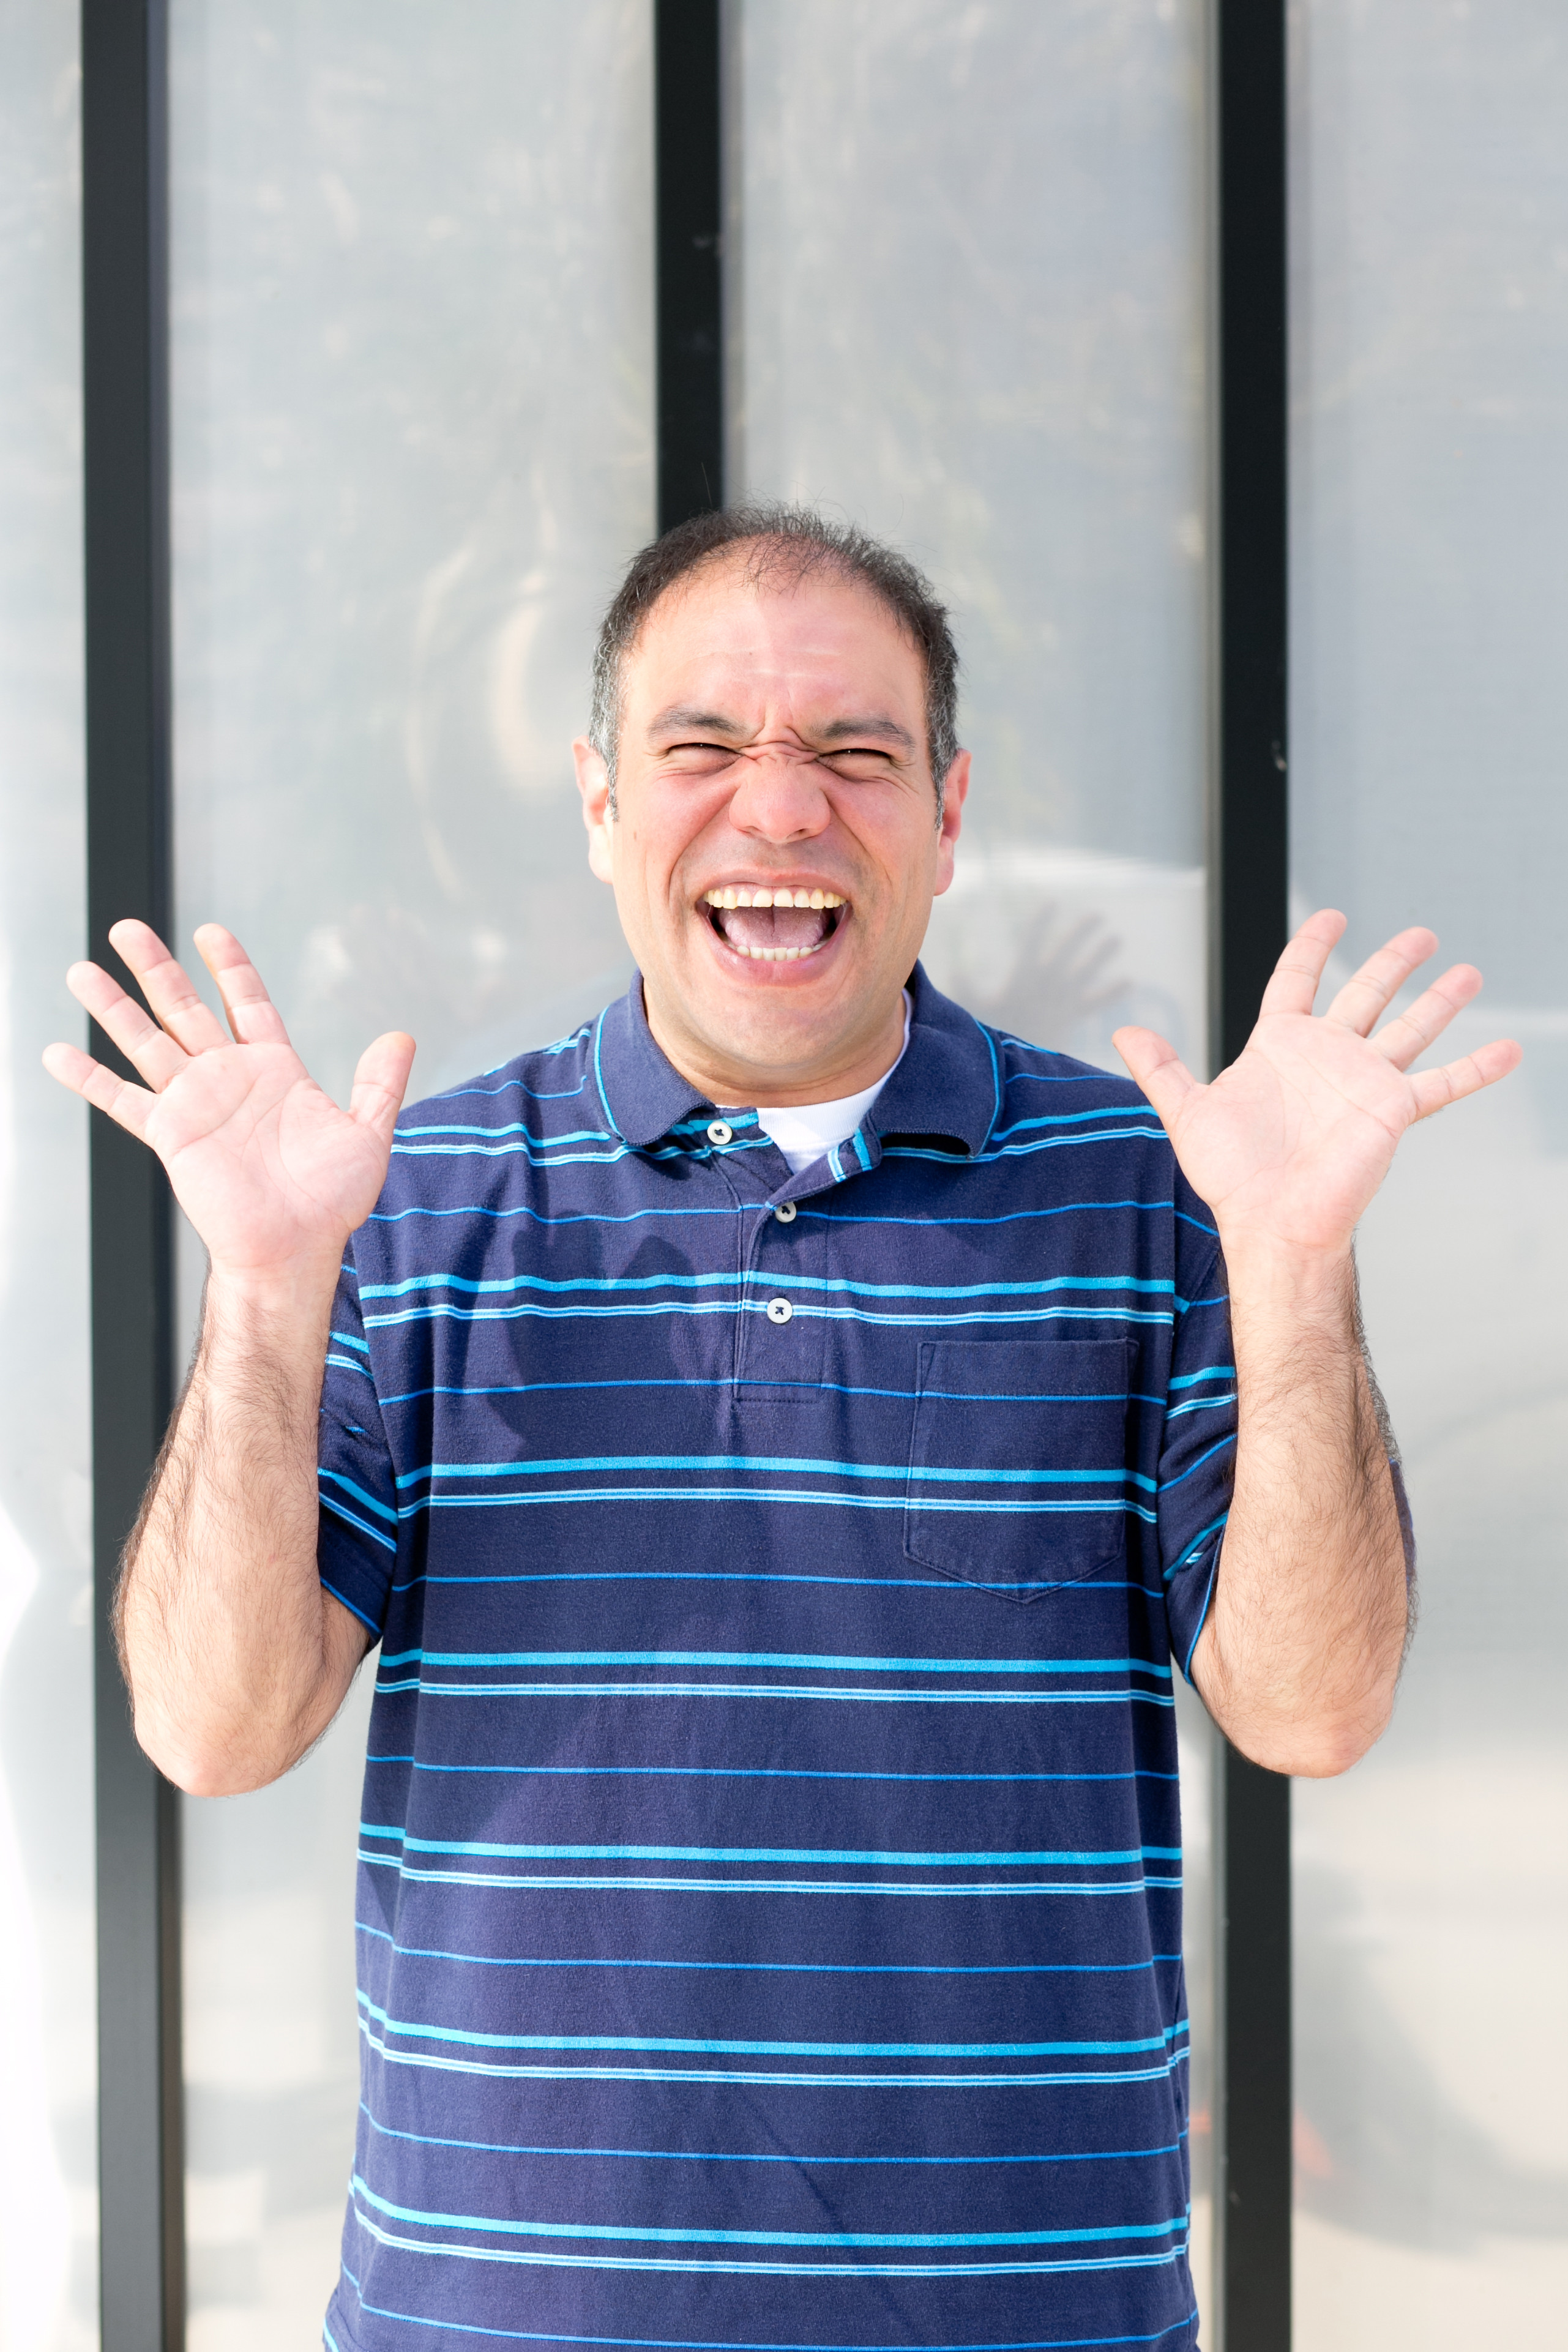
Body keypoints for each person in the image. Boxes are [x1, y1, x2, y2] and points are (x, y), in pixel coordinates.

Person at [45, 506, 1517, 2351]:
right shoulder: (405, 1200)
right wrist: (264, 1288)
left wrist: (1294, 1265)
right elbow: (214, 1722)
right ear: (597, 801)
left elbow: (1308, 1706)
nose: (782, 804)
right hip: (506, 2312)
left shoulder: (1154, 1188)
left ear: (946, 809)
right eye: (703, 746)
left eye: (852, 750)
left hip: (1026, 2313)